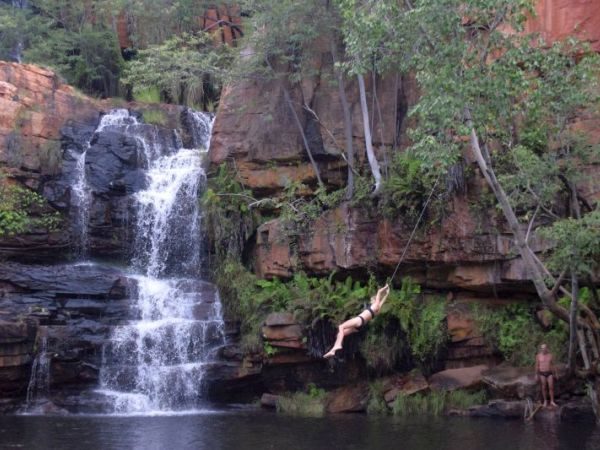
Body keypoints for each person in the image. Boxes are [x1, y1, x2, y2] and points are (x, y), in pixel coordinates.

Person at [323, 284, 390, 358]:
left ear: (375, 300)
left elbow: (379, 292)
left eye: (371, 300)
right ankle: (333, 350)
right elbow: (382, 302)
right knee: (341, 334)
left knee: (341, 326)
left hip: (359, 319)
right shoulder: (377, 309)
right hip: (361, 326)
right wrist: (387, 294)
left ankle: (338, 345)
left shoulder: (375, 305)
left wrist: (385, 287)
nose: (370, 302)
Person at [535, 343, 558, 408]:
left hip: (549, 373)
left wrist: (556, 373)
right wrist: (536, 374)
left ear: (547, 348)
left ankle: (552, 401)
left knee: (551, 387)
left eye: (544, 348)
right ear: (541, 349)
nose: (543, 349)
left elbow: (553, 364)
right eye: (542, 348)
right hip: (542, 373)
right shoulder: (538, 356)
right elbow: (537, 365)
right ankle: (545, 401)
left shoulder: (550, 355)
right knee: (544, 387)